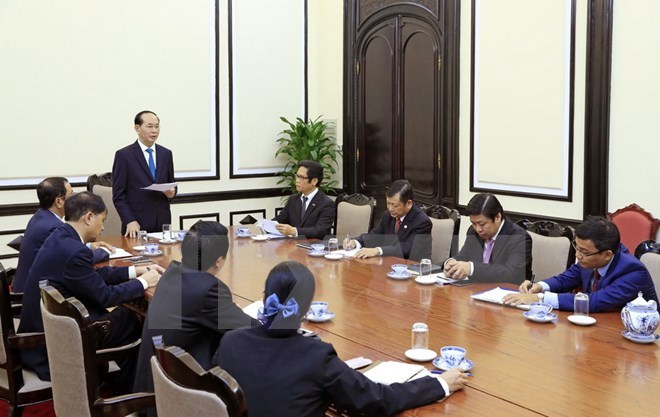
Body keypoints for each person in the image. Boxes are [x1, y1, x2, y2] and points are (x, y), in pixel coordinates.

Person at [214, 261, 467, 417]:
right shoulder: (315, 356)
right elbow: (377, 400)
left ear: (265, 295)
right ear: (305, 309)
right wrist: (440, 384)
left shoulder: (231, 342)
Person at [18, 192, 162, 390]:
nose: (103, 227)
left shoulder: (61, 236)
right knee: (133, 319)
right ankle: (131, 391)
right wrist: (144, 283)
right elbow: (105, 296)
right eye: (102, 220)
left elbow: (91, 278)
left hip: (46, 333)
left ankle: (126, 385)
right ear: (89, 217)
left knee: (128, 315)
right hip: (56, 345)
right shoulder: (74, 250)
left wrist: (134, 271)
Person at [134, 220, 258, 416]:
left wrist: (227, 310)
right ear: (219, 260)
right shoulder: (208, 288)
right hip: (183, 397)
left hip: (153, 392)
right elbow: (253, 330)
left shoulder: (172, 272)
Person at [503, 216, 658, 312]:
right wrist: (539, 286)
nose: (578, 255)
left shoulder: (632, 271)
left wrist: (540, 299)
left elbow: (594, 301)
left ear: (607, 255)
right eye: (576, 247)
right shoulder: (590, 260)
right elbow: (566, 278)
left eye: (584, 252)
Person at [13, 177, 114, 292]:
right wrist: (106, 252)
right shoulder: (54, 227)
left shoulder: (41, 216)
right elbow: (75, 257)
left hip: (25, 284)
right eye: (71, 195)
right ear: (59, 202)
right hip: (32, 292)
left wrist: (90, 246)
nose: (75, 199)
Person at [112, 110, 176, 237]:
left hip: (163, 222)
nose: (154, 131)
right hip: (136, 224)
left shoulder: (166, 154)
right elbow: (118, 195)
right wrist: (129, 220)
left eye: (157, 126)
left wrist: (171, 193)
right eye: (149, 126)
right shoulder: (124, 155)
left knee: (163, 256)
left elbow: (171, 183)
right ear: (137, 128)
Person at [443, 193, 532, 284]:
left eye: (482, 224)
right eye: (473, 223)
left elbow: (511, 274)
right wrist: (451, 263)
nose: (478, 229)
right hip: (474, 290)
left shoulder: (519, 237)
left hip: (508, 294)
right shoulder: (473, 232)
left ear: (497, 217)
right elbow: (463, 256)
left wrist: (472, 268)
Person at [344, 180, 432, 260]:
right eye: (388, 203)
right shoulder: (388, 215)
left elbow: (407, 248)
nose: (390, 208)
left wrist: (378, 250)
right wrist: (356, 242)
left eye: (394, 205)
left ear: (409, 203)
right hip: (389, 264)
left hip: (414, 269)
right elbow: (375, 235)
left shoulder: (422, 221)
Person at [274, 160, 335, 240]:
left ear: (314, 181)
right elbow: (280, 219)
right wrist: (266, 225)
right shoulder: (293, 199)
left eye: (302, 177)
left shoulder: (326, 203)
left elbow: (320, 230)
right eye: (297, 176)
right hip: (293, 245)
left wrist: (295, 231)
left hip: (315, 247)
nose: (297, 181)